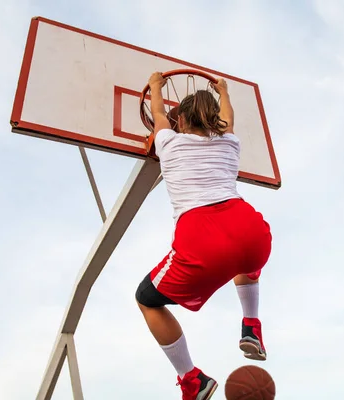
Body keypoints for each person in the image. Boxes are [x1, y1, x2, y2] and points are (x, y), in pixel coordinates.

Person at [135, 72, 272, 400]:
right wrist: (224, 91)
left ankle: (191, 378)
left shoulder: (167, 141)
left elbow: (157, 114)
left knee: (146, 299)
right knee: (244, 258)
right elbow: (229, 118)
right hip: (250, 228)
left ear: (178, 120)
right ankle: (251, 324)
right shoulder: (229, 143)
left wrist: (155, 87)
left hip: (201, 236)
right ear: (215, 119)